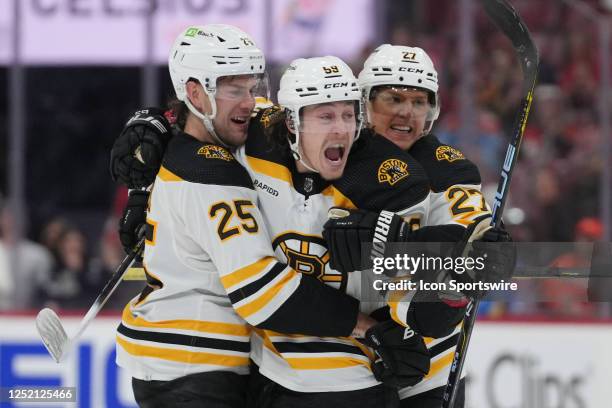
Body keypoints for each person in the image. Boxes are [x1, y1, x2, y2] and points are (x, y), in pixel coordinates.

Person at [114, 25, 387, 408]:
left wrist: (160, 120)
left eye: (252, 86)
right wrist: (369, 329)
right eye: (233, 89)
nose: (249, 102)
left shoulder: (202, 145)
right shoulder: (213, 172)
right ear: (196, 93)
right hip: (196, 364)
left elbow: (269, 114)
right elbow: (260, 291)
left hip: (184, 356)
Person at [323, 44, 515, 407]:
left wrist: (488, 256)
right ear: (363, 101)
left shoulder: (448, 168)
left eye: (419, 101)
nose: (406, 113)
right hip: (338, 354)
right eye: (393, 98)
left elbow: (473, 250)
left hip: (428, 364)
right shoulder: (331, 153)